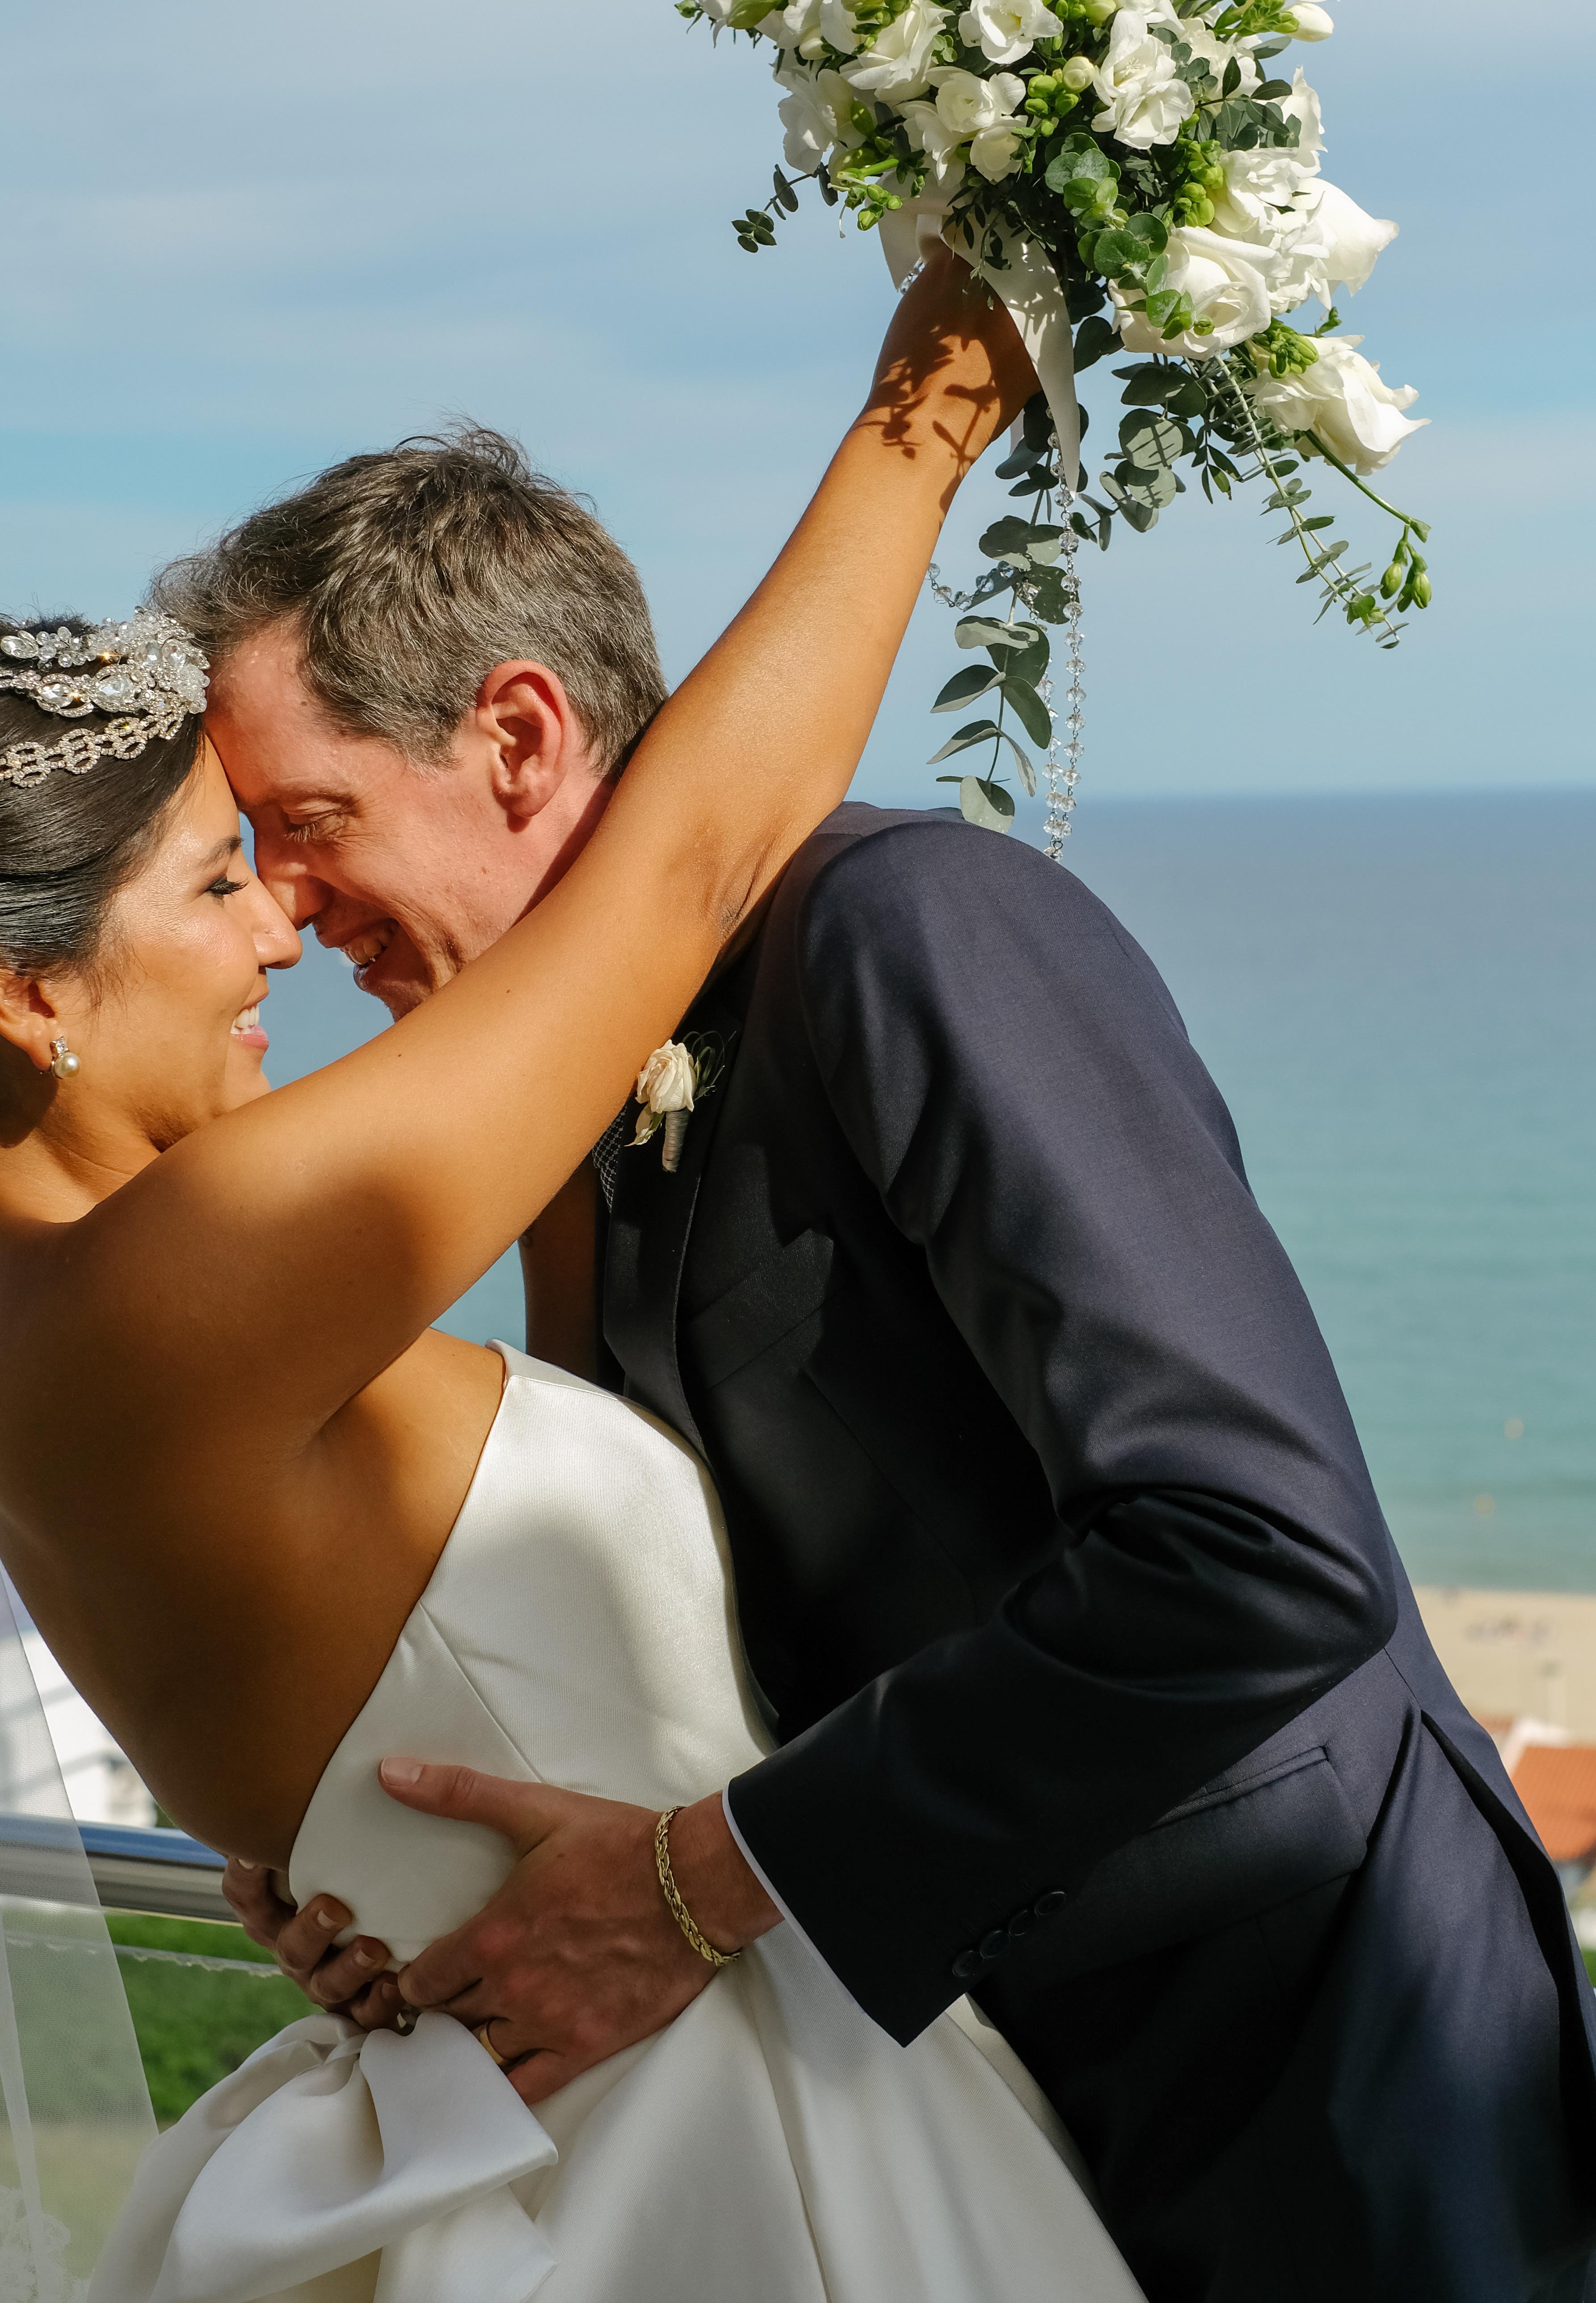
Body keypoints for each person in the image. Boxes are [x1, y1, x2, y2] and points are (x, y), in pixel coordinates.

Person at [171, 338, 1596, 2300]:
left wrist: (715, 1883)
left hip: (1320, 2075)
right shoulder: (566, 1117)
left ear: (518, 737)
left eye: (307, 819)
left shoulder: (909, 934)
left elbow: (1260, 1556)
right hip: (973, 2094)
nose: (281, 907)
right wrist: (389, 1862)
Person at [0, 259, 1158, 2303]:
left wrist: (326, 1845)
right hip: (705, 2136)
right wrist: (942, 392)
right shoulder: (171, 1294)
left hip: (554, 2068)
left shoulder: (90, 1331)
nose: (279, 927)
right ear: (31, 996)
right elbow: (691, 860)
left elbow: (412, 1603)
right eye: (215, 879)